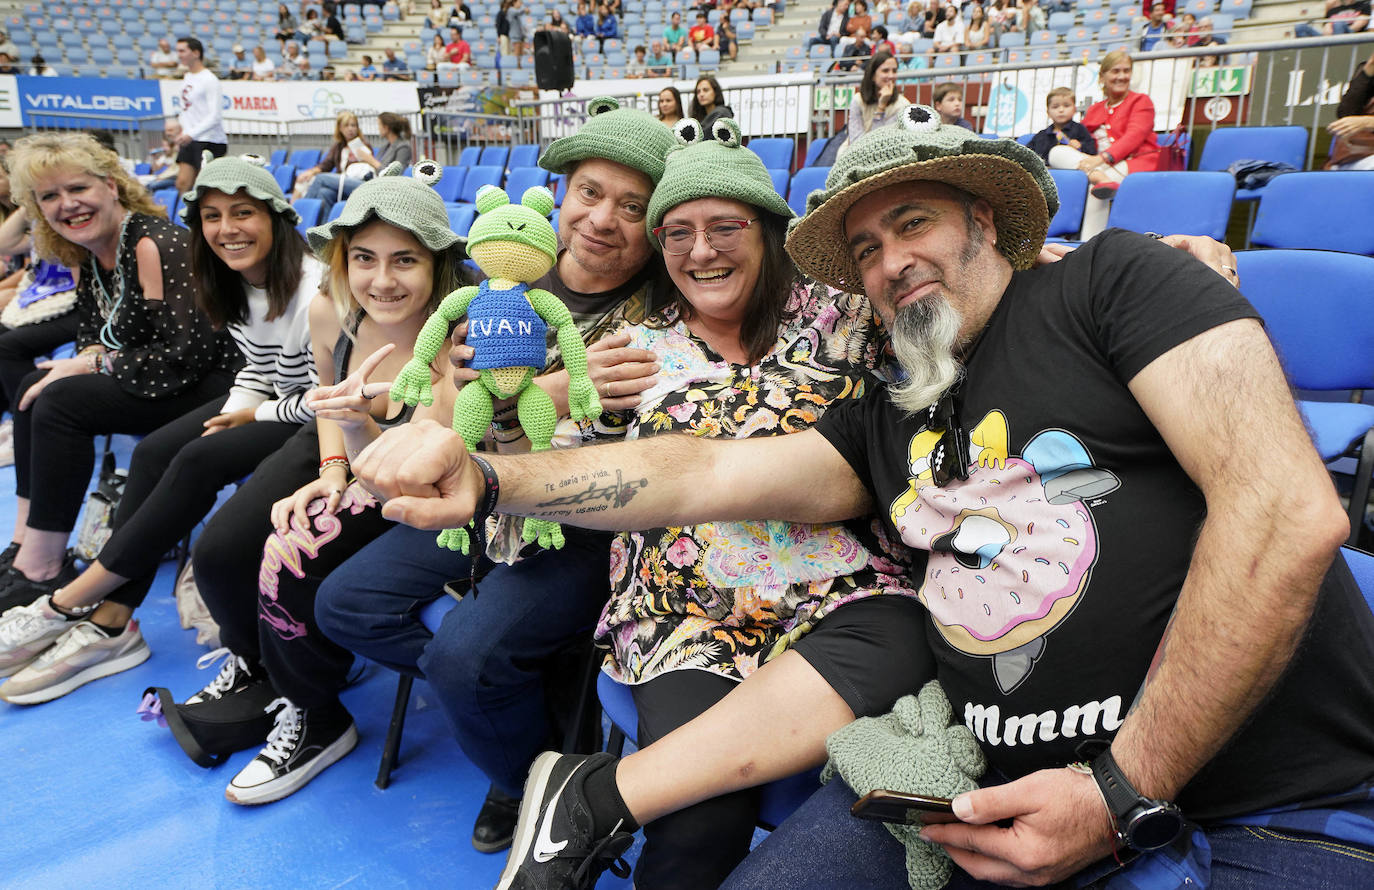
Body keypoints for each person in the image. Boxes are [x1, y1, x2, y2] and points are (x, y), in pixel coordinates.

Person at [354, 107, 1374, 890]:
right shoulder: (885, 414)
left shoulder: (1111, 284)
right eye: (868, 251)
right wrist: (494, 476)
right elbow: (702, 472)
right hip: (973, 787)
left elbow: (1287, 510)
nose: (893, 262)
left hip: (1254, 800)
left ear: (987, 220)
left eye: (914, 222)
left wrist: (1119, 787)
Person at [314, 99, 675, 855]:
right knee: (346, 603)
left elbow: (628, 457)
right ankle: (517, 703)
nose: (604, 219)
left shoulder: (662, 312)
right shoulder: (496, 281)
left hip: (582, 518)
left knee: (466, 659)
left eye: (633, 206)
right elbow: (445, 414)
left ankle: (524, 773)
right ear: (560, 195)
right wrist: (537, 393)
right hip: (477, 487)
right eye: (590, 193)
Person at [160, 166, 469, 806]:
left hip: (433, 482)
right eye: (363, 258)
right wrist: (333, 470)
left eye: (403, 259)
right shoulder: (330, 308)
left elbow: (413, 469)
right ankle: (272, 671)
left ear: (436, 263)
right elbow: (331, 405)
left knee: (292, 553)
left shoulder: (459, 332)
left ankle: (318, 716)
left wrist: (352, 448)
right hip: (351, 451)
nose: (381, 280)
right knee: (218, 554)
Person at [0, 156, 321, 703]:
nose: (226, 229)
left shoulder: (313, 289)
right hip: (266, 399)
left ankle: (72, 601)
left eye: (243, 213)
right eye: (212, 217)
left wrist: (251, 414)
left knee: (196, 459)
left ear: (277, 217)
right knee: (153, 453)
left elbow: (322, 398)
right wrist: (237, 407)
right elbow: (256, 367)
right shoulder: (235, 279)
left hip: (314, 417)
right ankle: (114, 620)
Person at [0, 133, 238, 617]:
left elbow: (186, 355)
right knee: (35, 385)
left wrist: (88, 363)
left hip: (216, 382)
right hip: (162, 375)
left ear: (110, 185)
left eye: (77, 188)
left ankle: (42, 568)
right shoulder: (87, 252)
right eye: (49, 197)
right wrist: (83, 359)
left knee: (60, 401)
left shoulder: (155, 243)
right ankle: (26, 546)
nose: (67, 205)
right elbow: (95, 332)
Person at [1067, 50, 1160, 199]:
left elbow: (1133, 137)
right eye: (1115, 71)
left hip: (1133, 163)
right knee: (1057, 152)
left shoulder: (1141, 101)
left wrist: (1100, 159)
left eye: (1126, 71)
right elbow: (1082, 136)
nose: (1122, 76)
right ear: (1102, 77)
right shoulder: (1095, 109)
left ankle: (1098, 180)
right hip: (1098, 164)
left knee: (1096, 188)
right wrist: (1074, 144)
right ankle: (1096, 176)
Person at [304, 113, 414, 219]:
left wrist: (369, 159)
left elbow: (395, 174)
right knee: (325, 193)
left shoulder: (403, 147)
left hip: (378, 187)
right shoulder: (386, 146)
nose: (378, 128)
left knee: (320, 178)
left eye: (379, 125)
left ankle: (299, 219)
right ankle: (325, 234)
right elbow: (327, 164)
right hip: (368, 181)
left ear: (386, 127)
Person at [171, 37, 227, 195]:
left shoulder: (209, 79)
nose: (179, 55)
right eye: (178, 51)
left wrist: (191, 133)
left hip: (209, 140)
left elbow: (215, 116)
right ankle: (183, 218)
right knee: (182, 183)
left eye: (182, 51)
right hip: (190, 139)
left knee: (205, 187)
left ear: (196, 53)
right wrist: (182, 131)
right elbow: (185, 110)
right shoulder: (187, 77)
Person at [292, 111, 370, 202]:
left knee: (320, 178)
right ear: (340, 128)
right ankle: (296, 210)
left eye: (353, 125)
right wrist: (311, 172)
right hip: (340, 182)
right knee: (323, 192)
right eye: (347, 125)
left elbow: (366, 170)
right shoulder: (338, 146)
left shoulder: (361, 145)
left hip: (356, 182)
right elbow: (326, 165)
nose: (350, 129)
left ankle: (300, 210)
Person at [845, 51, 911, 150]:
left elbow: (878, 143)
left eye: (894, 71)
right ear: (872, 75)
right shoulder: (858, 100)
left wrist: (881, 107)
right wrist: (880, 108)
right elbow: (856, 143)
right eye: (885, 71)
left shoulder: (902, 105)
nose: (891, 76)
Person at [1327, 51, 1374, 169]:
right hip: (1353, 155)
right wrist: (1368, 70)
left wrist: (1367, 122)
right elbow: (1346, 113)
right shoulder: (1367, 69)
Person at [1028, 86, 1097, 163]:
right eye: (1055, 107)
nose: (1061, 110)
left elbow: (1092, 150)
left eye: (1066, 106)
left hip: (1071, 170)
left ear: (1074, 109)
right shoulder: (1041, 135)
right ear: (1048, 112)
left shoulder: (1080, 129)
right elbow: (1028, 154)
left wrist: (1081, 146)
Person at [1297, 0, 1370, 36]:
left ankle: (1337, 51)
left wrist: (1339, 28)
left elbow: (1360, 23)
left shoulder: (1363, 5)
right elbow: (1326, 29)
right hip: (1330, 38)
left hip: (1350, 37)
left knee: (1338, 23)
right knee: (1300, 27)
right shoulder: (1333, 10)